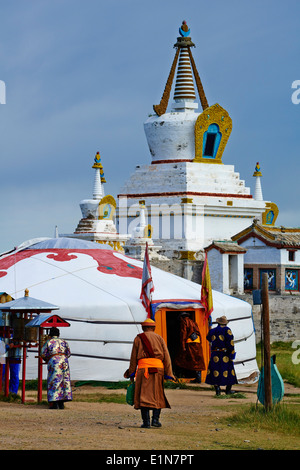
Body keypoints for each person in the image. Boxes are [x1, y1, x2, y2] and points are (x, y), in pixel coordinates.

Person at [124, 318, 175, 428]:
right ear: (153, 328)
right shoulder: (159, 338)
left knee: (143, 395)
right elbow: (167, 356)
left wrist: (131, 373)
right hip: (158, 370)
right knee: (158, 394)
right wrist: (168, 373)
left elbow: (133, 357)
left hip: (143, 371)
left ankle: (146, 422)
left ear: (143, 328)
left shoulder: (138, 338)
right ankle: (155, 421)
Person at [41, 327, 73, 409]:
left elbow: (43, 353)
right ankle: (61, 403)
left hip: (54, 361)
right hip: (64, 361)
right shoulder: (64, 341)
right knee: (63, 381)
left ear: (50, 334)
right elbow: (68, 353)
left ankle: (54, 403)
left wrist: (48, 359)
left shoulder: (49, 342)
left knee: (54, 380)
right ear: (58, 334)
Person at [205, 316, 238, 395]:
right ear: (225, 323)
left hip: (215, 354)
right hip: (225, 354)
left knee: (215, 371)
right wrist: (232, 353)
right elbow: (230, 343)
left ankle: (217, 390)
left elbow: (208, 338)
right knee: (229, 371)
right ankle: (228, 390)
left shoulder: (212, 330)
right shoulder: (227, 330)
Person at [174, 312, 205, 383]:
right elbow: (199, 333)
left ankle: (179, 376)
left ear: (181, 317)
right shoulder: (193, 322)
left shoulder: (184, 322)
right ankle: (198, 377)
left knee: (181, 359)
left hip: (190, 344)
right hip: (197, 343)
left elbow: (183, 333)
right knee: (197, 360)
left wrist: (183, 346)